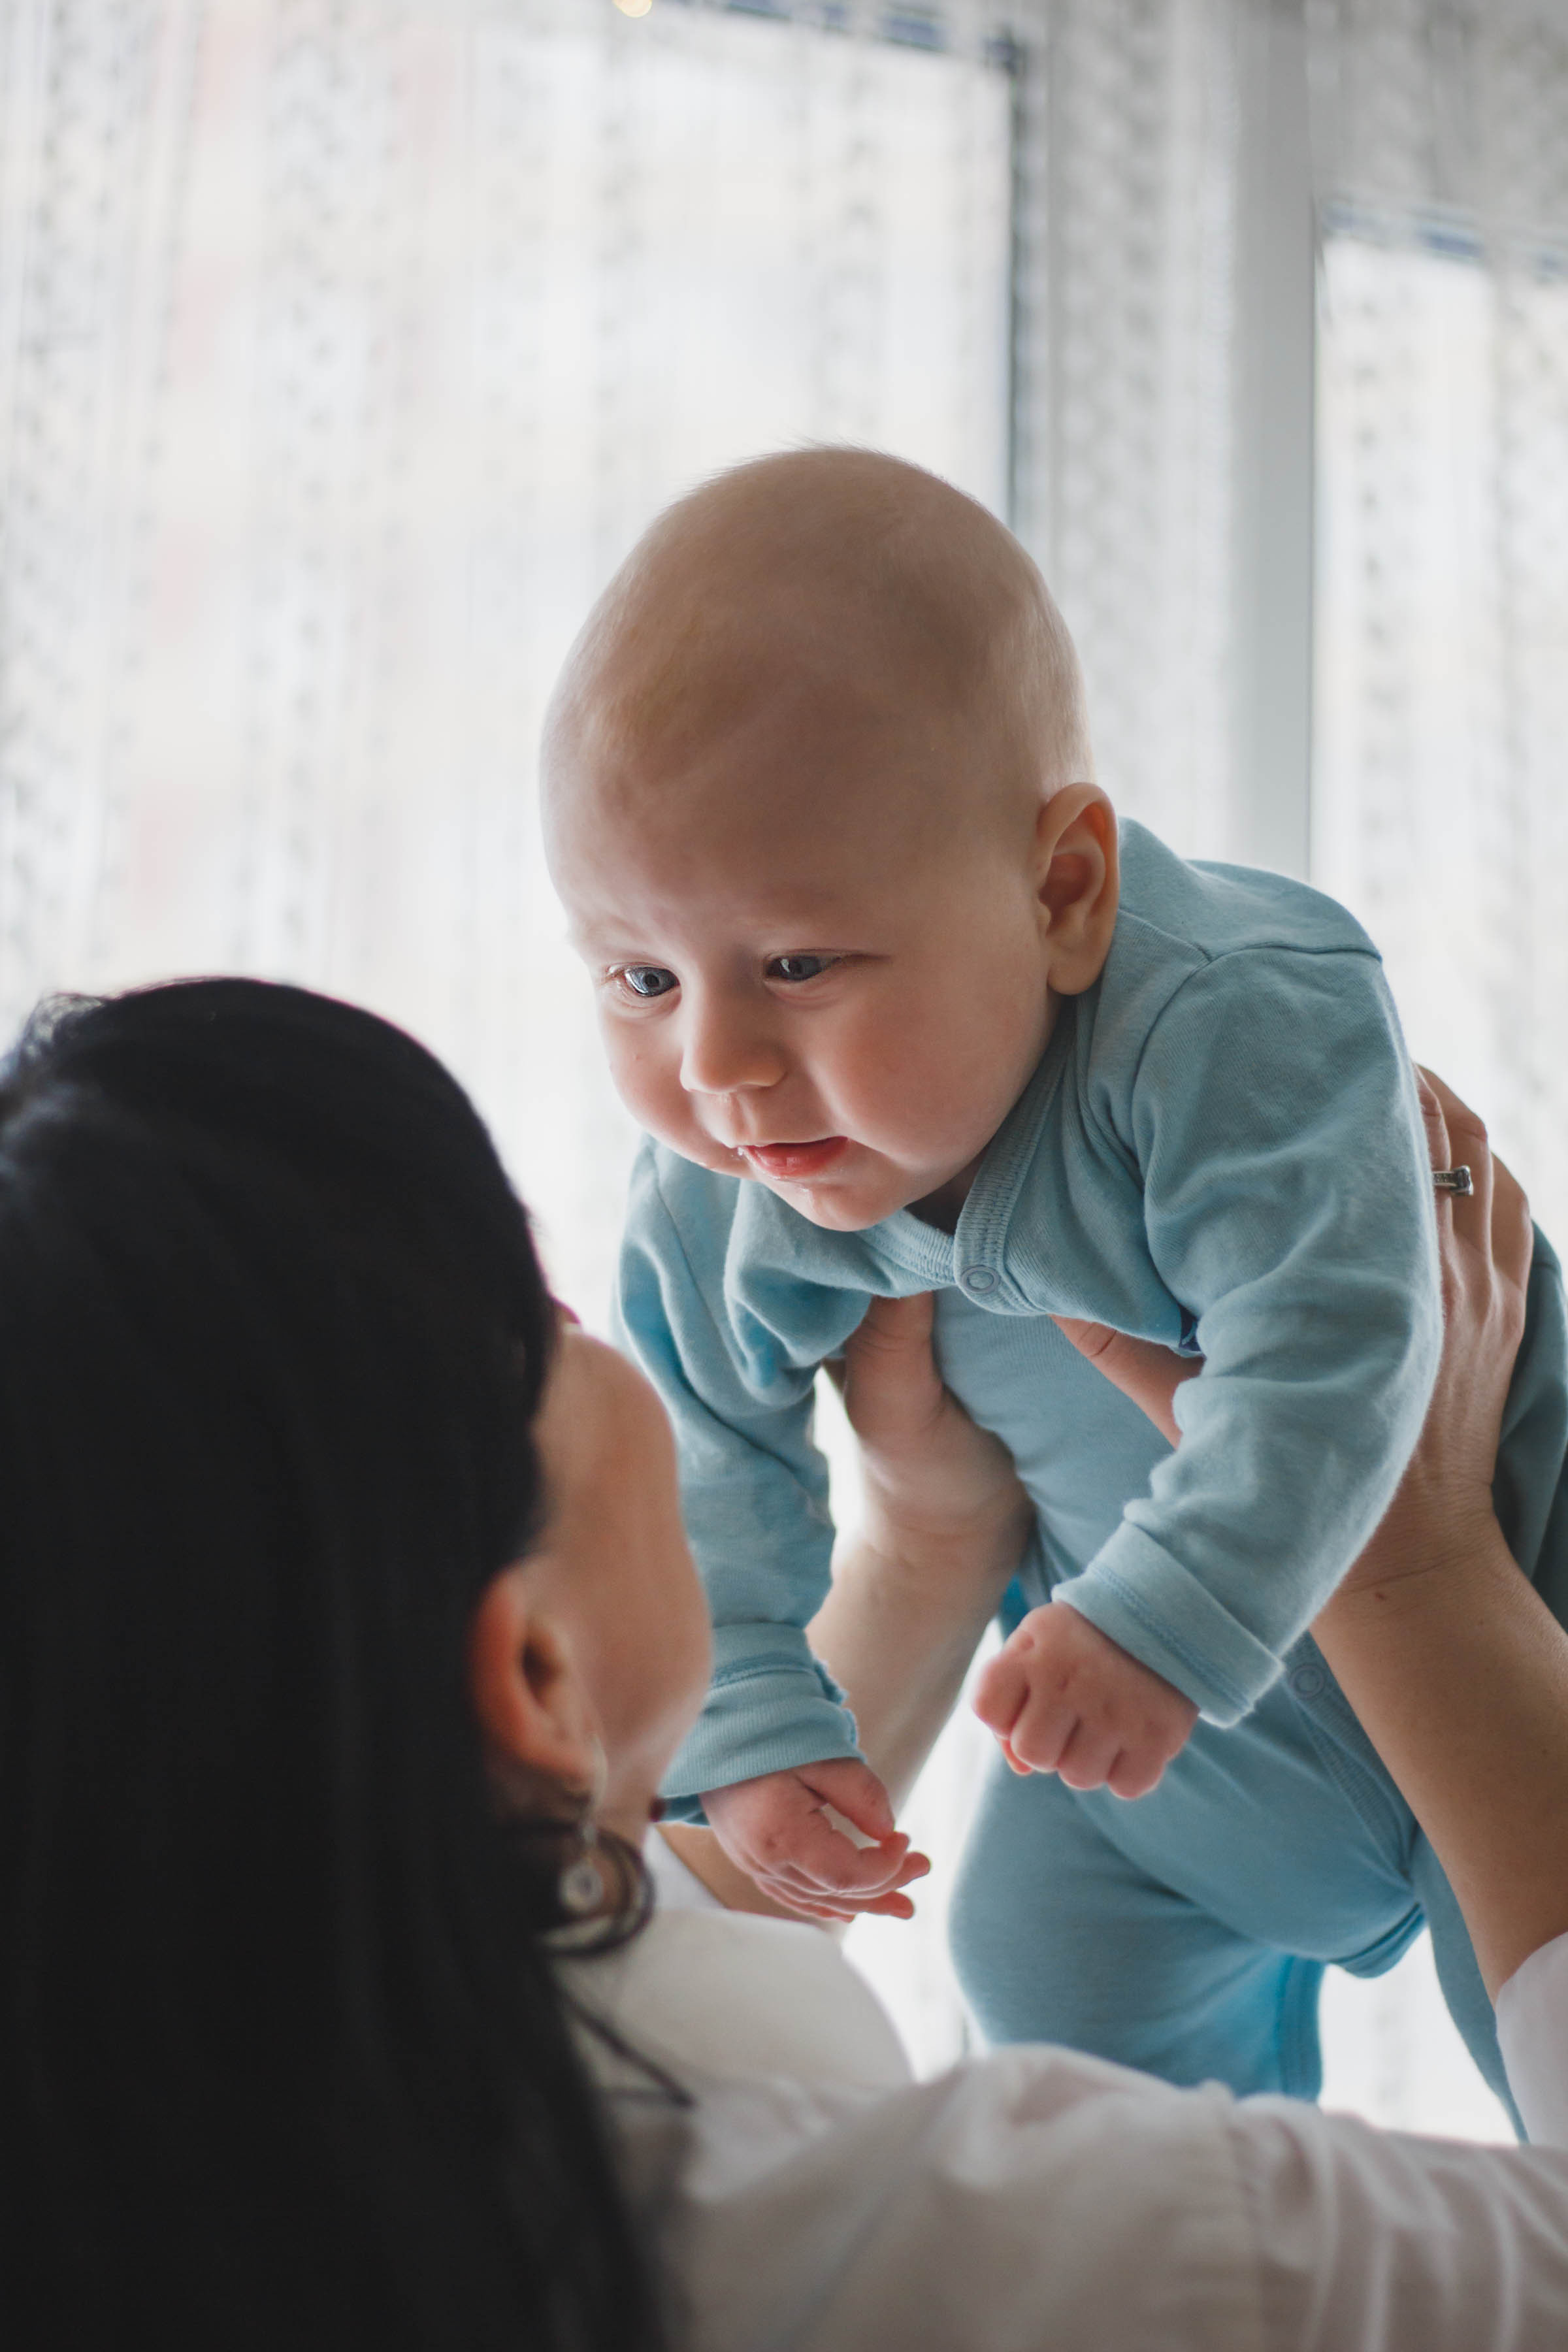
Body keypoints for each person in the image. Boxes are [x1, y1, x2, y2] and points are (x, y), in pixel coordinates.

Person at [3, 976, 1568, 2347]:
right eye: (547, 1309)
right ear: (535, 1681)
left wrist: (926, 1537)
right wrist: (1411, 1560)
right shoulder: (1052, 2262)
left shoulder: (203, 2086)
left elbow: (677, 1890)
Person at [540, 445, 1568, 2115]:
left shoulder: (1230, 1022)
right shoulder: (727, 1189)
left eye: (797, 964)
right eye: (638, 975)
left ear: (1063, 892)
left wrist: (1166, 1617)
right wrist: (763, 1724)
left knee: (1544, 2069)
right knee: (1027, 1942)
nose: (719, 1062)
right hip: (1142, 1769)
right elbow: (707, 1457)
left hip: (1503, 1657)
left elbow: (1337, 1351)